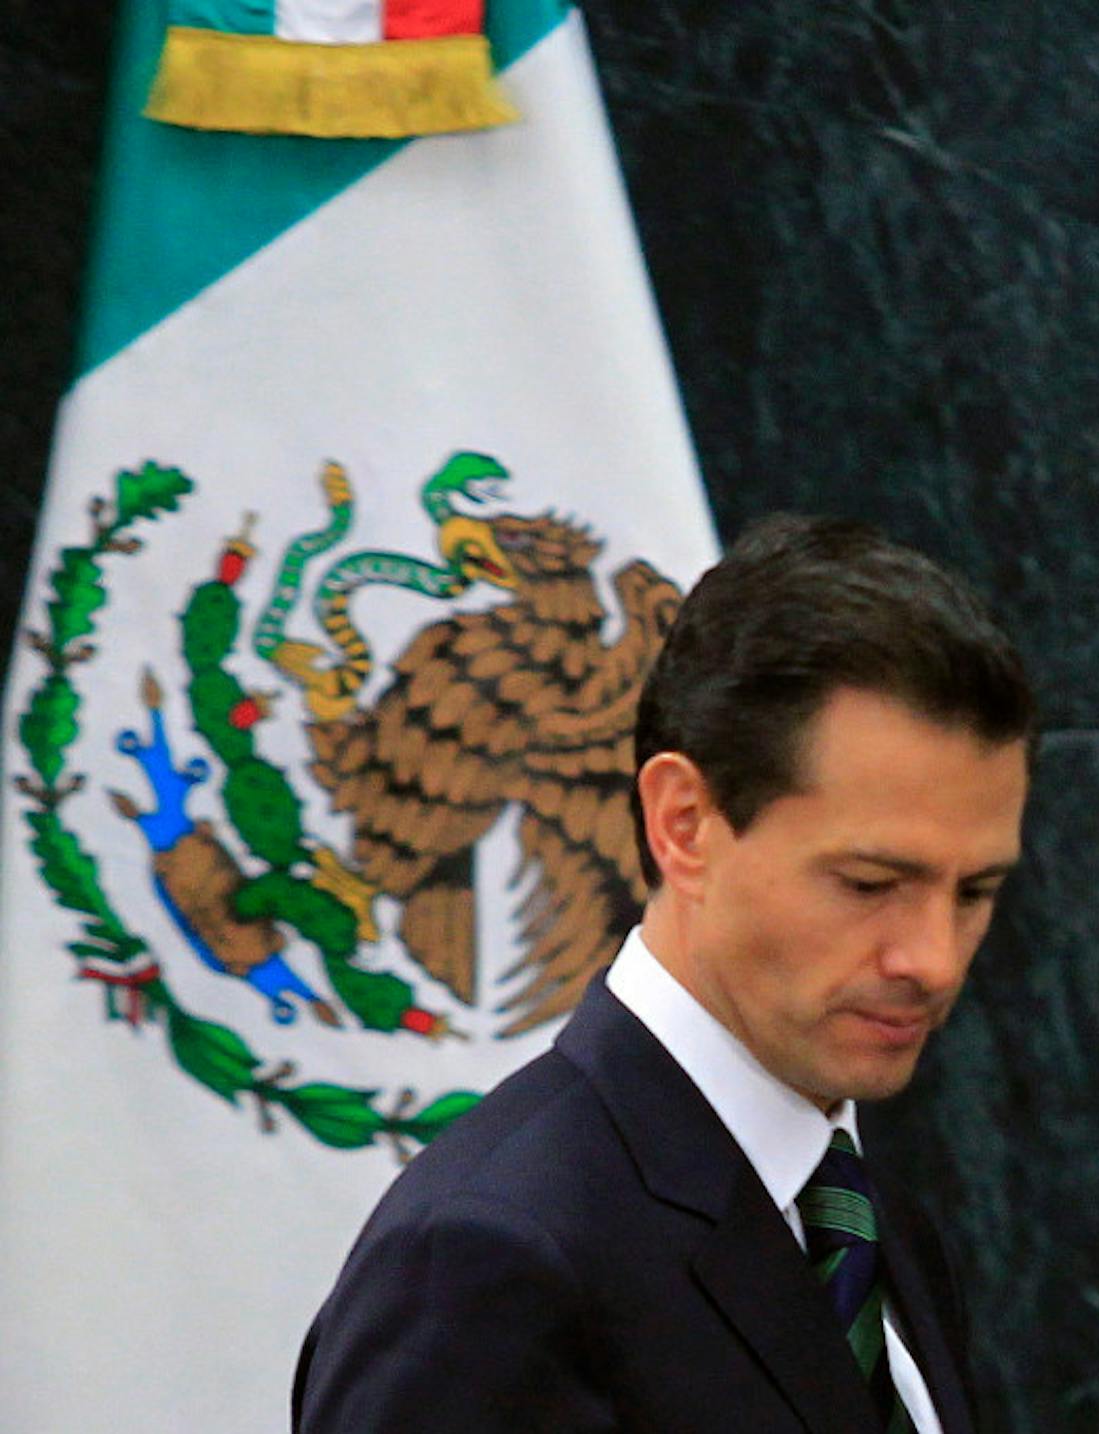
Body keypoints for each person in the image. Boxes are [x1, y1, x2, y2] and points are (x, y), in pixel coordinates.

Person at [295, 514, 1035, 1433]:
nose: (932, 959)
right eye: (869, 883)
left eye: (976, 892)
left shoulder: (874, 1225)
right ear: (683, 824)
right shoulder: (491, 1257)